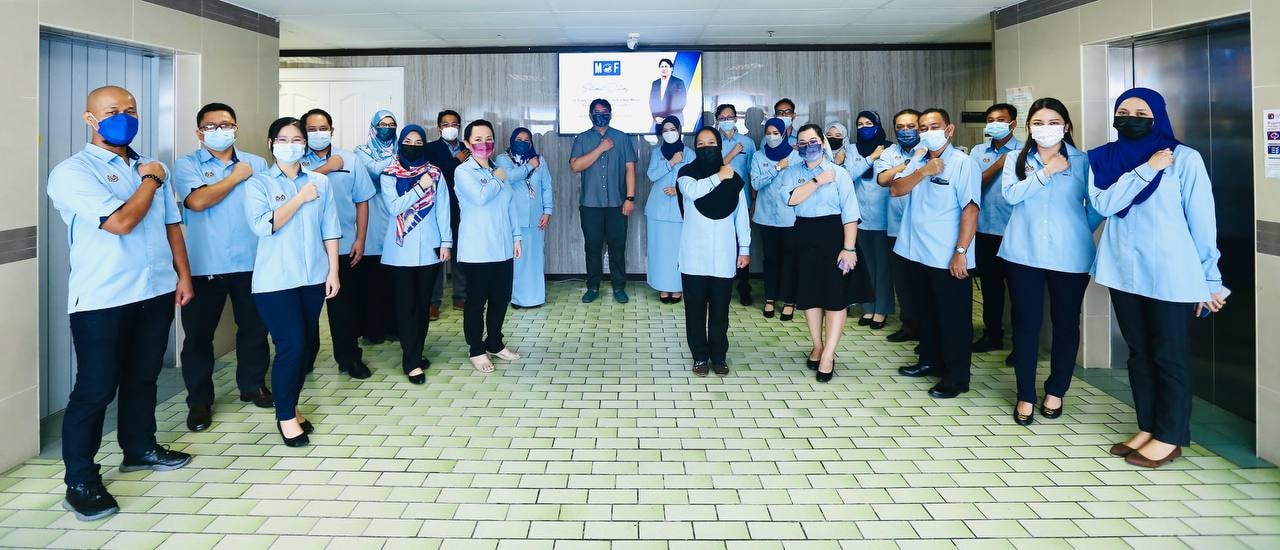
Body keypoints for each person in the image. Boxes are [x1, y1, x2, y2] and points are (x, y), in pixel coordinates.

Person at [48, 85, 195, 521]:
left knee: (143, 378)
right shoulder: (73, 172)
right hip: (104, 298)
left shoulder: (148, 165)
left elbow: (171, 225)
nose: (124, 117)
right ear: (89, 119)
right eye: (112, 111)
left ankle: (139, 448)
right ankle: (80, 481)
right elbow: (121, 222)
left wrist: (183, 276)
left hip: (154, 291)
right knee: (95, 389)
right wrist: (151, 180)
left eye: (130, 110)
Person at [1088, 88, 1227, 468]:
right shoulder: (1102, 158)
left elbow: (1203, 222)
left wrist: (1210, 280)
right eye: (1123, 111)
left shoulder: (1185, 159)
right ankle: (1147, 426)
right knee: (1139, 354)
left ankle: (1171, 435)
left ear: (1158, 116)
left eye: (1141, 112)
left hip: (1171, 274)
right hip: (1123, 273)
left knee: (1169, 355)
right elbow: (1104, 204)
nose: (1130, 118)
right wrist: (1147, 169)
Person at [999, 98, 1102, 426]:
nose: (1046, 129)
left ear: (1066, 126)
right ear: (1029, 127)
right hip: (1022, 254)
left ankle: (1056, 391)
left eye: (1053, 122)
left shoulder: (1083, 161)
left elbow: (1097, 206)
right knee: (1025, 325)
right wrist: (1046, 173)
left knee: (1066, 324)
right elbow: (1010, 195)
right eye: (1038, 123)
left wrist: (1075, 230)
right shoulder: (1016, 159)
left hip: (1070, 257)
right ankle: (1025, 395)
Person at [172, 102, 271, 434]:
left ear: (236, 128)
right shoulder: (186, 164)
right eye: (211, 126)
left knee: (254, 330)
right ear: (199, 132)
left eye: (225, 124)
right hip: (205, 266)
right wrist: (235, 177)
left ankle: (252, 385)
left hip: (251, 261)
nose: (219, 131)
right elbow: (197, 201)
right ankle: (199, 401)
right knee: (199, 337)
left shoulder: (257, 163)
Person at [243, 116, 341, 448]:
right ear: (271, 145)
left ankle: (291, 406)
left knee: (305, 347)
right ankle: (284, 416)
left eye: (296, 139)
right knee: (292, 346)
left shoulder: (320, 182)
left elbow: (330, 228)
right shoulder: (258, 184)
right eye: (283, 140)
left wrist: (333, 271)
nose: (291, 146)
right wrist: (299, 198)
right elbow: (263, 226)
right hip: (275, 281)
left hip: (312, 277)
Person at [892, 108, 981, 399]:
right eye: (923, 128)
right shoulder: (918, 159)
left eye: (934, 126)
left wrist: (961, 251)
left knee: (953, 318)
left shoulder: (963, 164)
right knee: (925, 312)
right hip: (914, 252)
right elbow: (896, 189)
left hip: (946, 256)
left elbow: (971, 209)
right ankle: (929, 361)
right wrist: (923, 171)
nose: (927, 132)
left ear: (949, 130)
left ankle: (956, 377)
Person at [780, 124, 869, 383]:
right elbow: (791, 199)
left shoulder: (839, 173)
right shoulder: (792, 172)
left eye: (813, 141)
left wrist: (849, 248)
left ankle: (828, 355)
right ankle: (817, 345)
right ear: (797, 146)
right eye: (803, 142)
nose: (809, 146)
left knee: (835, 298)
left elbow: (850, 214)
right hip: (804, 237)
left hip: (835, 238)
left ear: (822, 142)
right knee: (810, 296)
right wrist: (818, 180)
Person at [301, 108, 376, 380]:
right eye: (311, 129)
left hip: (343, 246)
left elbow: (362, 201)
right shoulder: (295, 160)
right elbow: (294, 190)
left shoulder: (350, 159)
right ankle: (304, 359)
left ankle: (349, 359)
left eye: (323, 128)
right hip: (306, 248)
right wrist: (327, 168)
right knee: (306, 310)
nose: (318, 133)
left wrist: (361, 238)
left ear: (332, 130)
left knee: (344, 309)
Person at [675, 127, 752, 376]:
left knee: (720, 310)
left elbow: (741, 217)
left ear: (719, 146)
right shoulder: (686, 174)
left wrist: (744, 248)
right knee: (695, 310)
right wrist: (720, 176)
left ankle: (718, 355)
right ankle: (699, 356)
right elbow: (694, 192)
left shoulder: (734, 179)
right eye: (701, 144)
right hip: (693, 254)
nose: (706, 147)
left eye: (711, 142)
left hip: (723, 254)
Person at [380, 125, 451, 384]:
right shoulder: (389, 174)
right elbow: (394, 207)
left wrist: (446, 242)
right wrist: (420, 188)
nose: (413, 145)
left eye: (418, 142)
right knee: (406, 307)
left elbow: (443, 208)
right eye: (408, 141)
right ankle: (411, 363)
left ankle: (416, 352)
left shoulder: (435, 173)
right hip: (400, 252)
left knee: (423, 306)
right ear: (401, 143)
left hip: (430, 250)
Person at [455, 119, 523, 373]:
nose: (484, 144)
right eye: (478, 139)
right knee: (476, 301)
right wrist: (496, 179)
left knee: (501, 297)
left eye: (488, 139)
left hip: (502, 246)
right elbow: (480, 198)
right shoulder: (464, 172)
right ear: (467, 143)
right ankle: (476, 349)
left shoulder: (498, 169)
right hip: (477, 249)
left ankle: (494, 342)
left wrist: (516, 237)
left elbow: (510, 205)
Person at [569, 98, 638, 303]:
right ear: (590, 115)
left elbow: (630, 169)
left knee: (618, 247)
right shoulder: (581, 139)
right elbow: (575, 166)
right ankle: (593, 287)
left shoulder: (622, 138)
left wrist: (630, 198)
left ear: (611, 114)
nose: (601, 115)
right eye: (597, 112)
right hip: (590, 205)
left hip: (617, 204)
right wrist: (601, 148)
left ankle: (619, 287)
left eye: (605, 111)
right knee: (592, 247)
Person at [971, 103, 1022, 360]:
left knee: (1019, 291)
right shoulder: (978, 151)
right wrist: (1000, 164)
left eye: (1000, 119)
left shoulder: (1025, 150)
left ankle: (1021, 345)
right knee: (990, 288)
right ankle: (992, 334)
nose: (994, 124)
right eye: (990, 119)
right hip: (984, 230)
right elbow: (972, 184)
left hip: (1014, 231)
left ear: (1013, 124)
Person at [875, 109, 923, 343]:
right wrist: (908, 164)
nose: (905, 131)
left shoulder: (930, 150)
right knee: (902, 281)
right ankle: (909, 325)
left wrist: (900, 171)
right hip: (897, 227)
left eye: (911, 126)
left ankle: (928, 330)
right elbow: (883, 179)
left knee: (923, 280)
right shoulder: (889, 153)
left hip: (924, 229)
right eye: (900, 127)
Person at [844, 111, 894, 329]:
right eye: (860, 124)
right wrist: (870, 158)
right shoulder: (851, 149)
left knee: (883, 268)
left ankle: (881, 309)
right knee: (866, 267)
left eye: (869, 123)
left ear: (878, 125)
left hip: (885, 217)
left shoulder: (891, 149)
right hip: (860, 218)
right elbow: (848, 176)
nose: (864, 127)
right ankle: (868, 308)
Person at [352, 110, 398, 340]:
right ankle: (372, 330)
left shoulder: (401, 148)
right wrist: (397, 161)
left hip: (396, 217)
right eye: (383, 124)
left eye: (391, 124)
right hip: (371, 218)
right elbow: (372, 170)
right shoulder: (361, 151)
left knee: (394, 280)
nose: (387, 128)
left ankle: (393, 327)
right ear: (374, 126)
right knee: (372, 280)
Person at [495, 128, 554, 308]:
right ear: (512, 140)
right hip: (513, 219)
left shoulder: (540, 160)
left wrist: (547, 211)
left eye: (526, 139)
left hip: (536, 218)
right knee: (517, 260)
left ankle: (535, 298)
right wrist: (529, 166)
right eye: (518, 139)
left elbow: (546, 186)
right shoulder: (502, 159)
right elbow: (508, 177)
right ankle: (517, 298)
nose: (522, 142)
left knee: (535, 259)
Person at [750, 117, 800, 321]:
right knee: (770, 259)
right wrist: (777, 168)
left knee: (790, 259)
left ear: (784, 134)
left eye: (776, 133)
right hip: (766, 217)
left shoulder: (796, 156)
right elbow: (756, 183)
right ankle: (770, 298)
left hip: (791, 217)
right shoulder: (758, 156)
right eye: (768, 133)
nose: (772, 137)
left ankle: (789, 301)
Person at [645, 116, 694, 303]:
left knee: (678, 251)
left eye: (672, 129)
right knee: (660, 251)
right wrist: (671, 162)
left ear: (679, 130)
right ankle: (662, 286)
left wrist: (678, 190)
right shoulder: (656, 153)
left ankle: (677, 286)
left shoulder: (690, 154)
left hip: (680, 211)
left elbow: (695, 180)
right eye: (665, 130)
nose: (669, 133)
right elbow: (651, 175)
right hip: (657, 210)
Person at [426, 109, 469, 316]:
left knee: (460, 254)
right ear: (438, 128)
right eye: (445, 124)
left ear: (459, 127)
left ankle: (461, 297)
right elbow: (433, 175)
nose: (450, 128)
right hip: (438, 208)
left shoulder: (468, 148)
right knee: (437, 255)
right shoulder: (429, 149)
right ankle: (433, 302)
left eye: (454, 124)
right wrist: (456, 161)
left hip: (463, 209)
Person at [716, 103, 757, 306]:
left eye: (730, 117)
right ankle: (722, 285)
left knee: (743, 242)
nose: (726, 121)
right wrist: (732, 154)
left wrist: (753, 201)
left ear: (736, 119)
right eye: (722, 118)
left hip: (743, 199)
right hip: (718, 199)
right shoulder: (713, 141)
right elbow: (713, 168)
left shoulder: (747, 143)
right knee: (722, 243)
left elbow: (753, 173)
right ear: (717, 120)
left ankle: (743, 286)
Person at [649, 58, 688, 130]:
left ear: (671, 69)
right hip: (659, 122)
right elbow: (652, 102)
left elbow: (682, 101)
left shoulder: (678, 82)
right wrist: (656, 117)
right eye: (662, 66)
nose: (664, 69)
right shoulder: (655, 83)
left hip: (675, 121)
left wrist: (669, 117)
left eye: (666, 66)